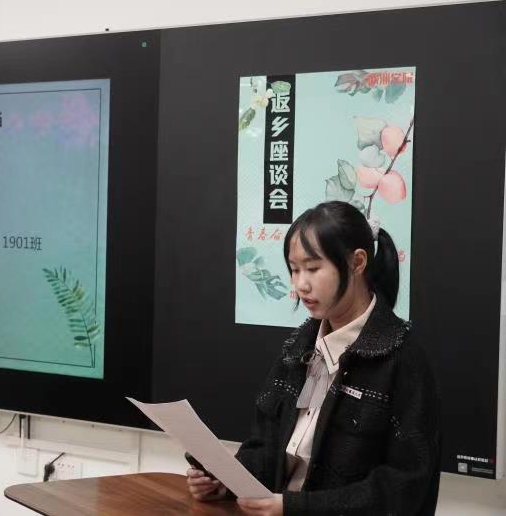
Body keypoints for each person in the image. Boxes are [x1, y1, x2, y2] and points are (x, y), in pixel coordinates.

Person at [187, 201, 440, 515]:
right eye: (294, 269)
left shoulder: (402, 359)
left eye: (313, 268)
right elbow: (266, 448)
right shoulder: (299, 346)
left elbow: (403, 489)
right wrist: (225, 482)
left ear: (357, 262)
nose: (300, 284)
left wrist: (296, 507)